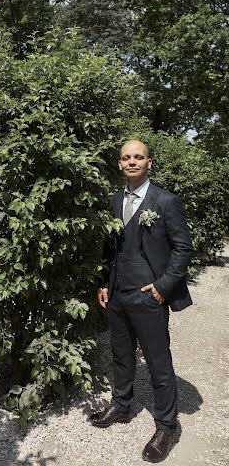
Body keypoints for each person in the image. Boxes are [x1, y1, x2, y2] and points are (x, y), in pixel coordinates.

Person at [91, 140, 192, 463]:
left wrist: (162, 287)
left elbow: (183, 249)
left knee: (159, 364)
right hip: (117, 293)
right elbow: (110, 249)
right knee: (121, 355)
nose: (131, 161)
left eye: (138, 157)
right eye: (126, 157)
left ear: (149, 163)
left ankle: (166, 427)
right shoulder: (114, 200)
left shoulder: (165, 201)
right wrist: (103, 283)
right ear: (119, 164)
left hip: (149, 296)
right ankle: (121, 405)